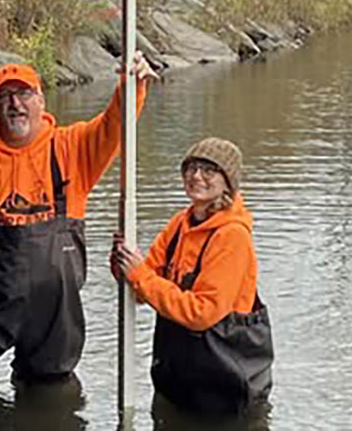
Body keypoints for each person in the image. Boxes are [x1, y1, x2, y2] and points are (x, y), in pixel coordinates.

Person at [0, 53, 156, 400]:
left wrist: (133, 84)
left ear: (41, 101)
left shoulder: (74, 147)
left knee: (50, 399)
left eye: (24, 94)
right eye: (4, 97)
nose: (15, 104)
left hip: (53, 315)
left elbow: (116, 124)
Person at [112, 137, 274, 416]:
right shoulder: (179, 224)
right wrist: (123, 265)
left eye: (208, 170)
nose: (196, 176)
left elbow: (203, 313)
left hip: (225, 389)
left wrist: (140, 275)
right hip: (181, 381)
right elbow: (141, 290)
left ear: (227, 182)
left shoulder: (232, 236)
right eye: (190, 168)